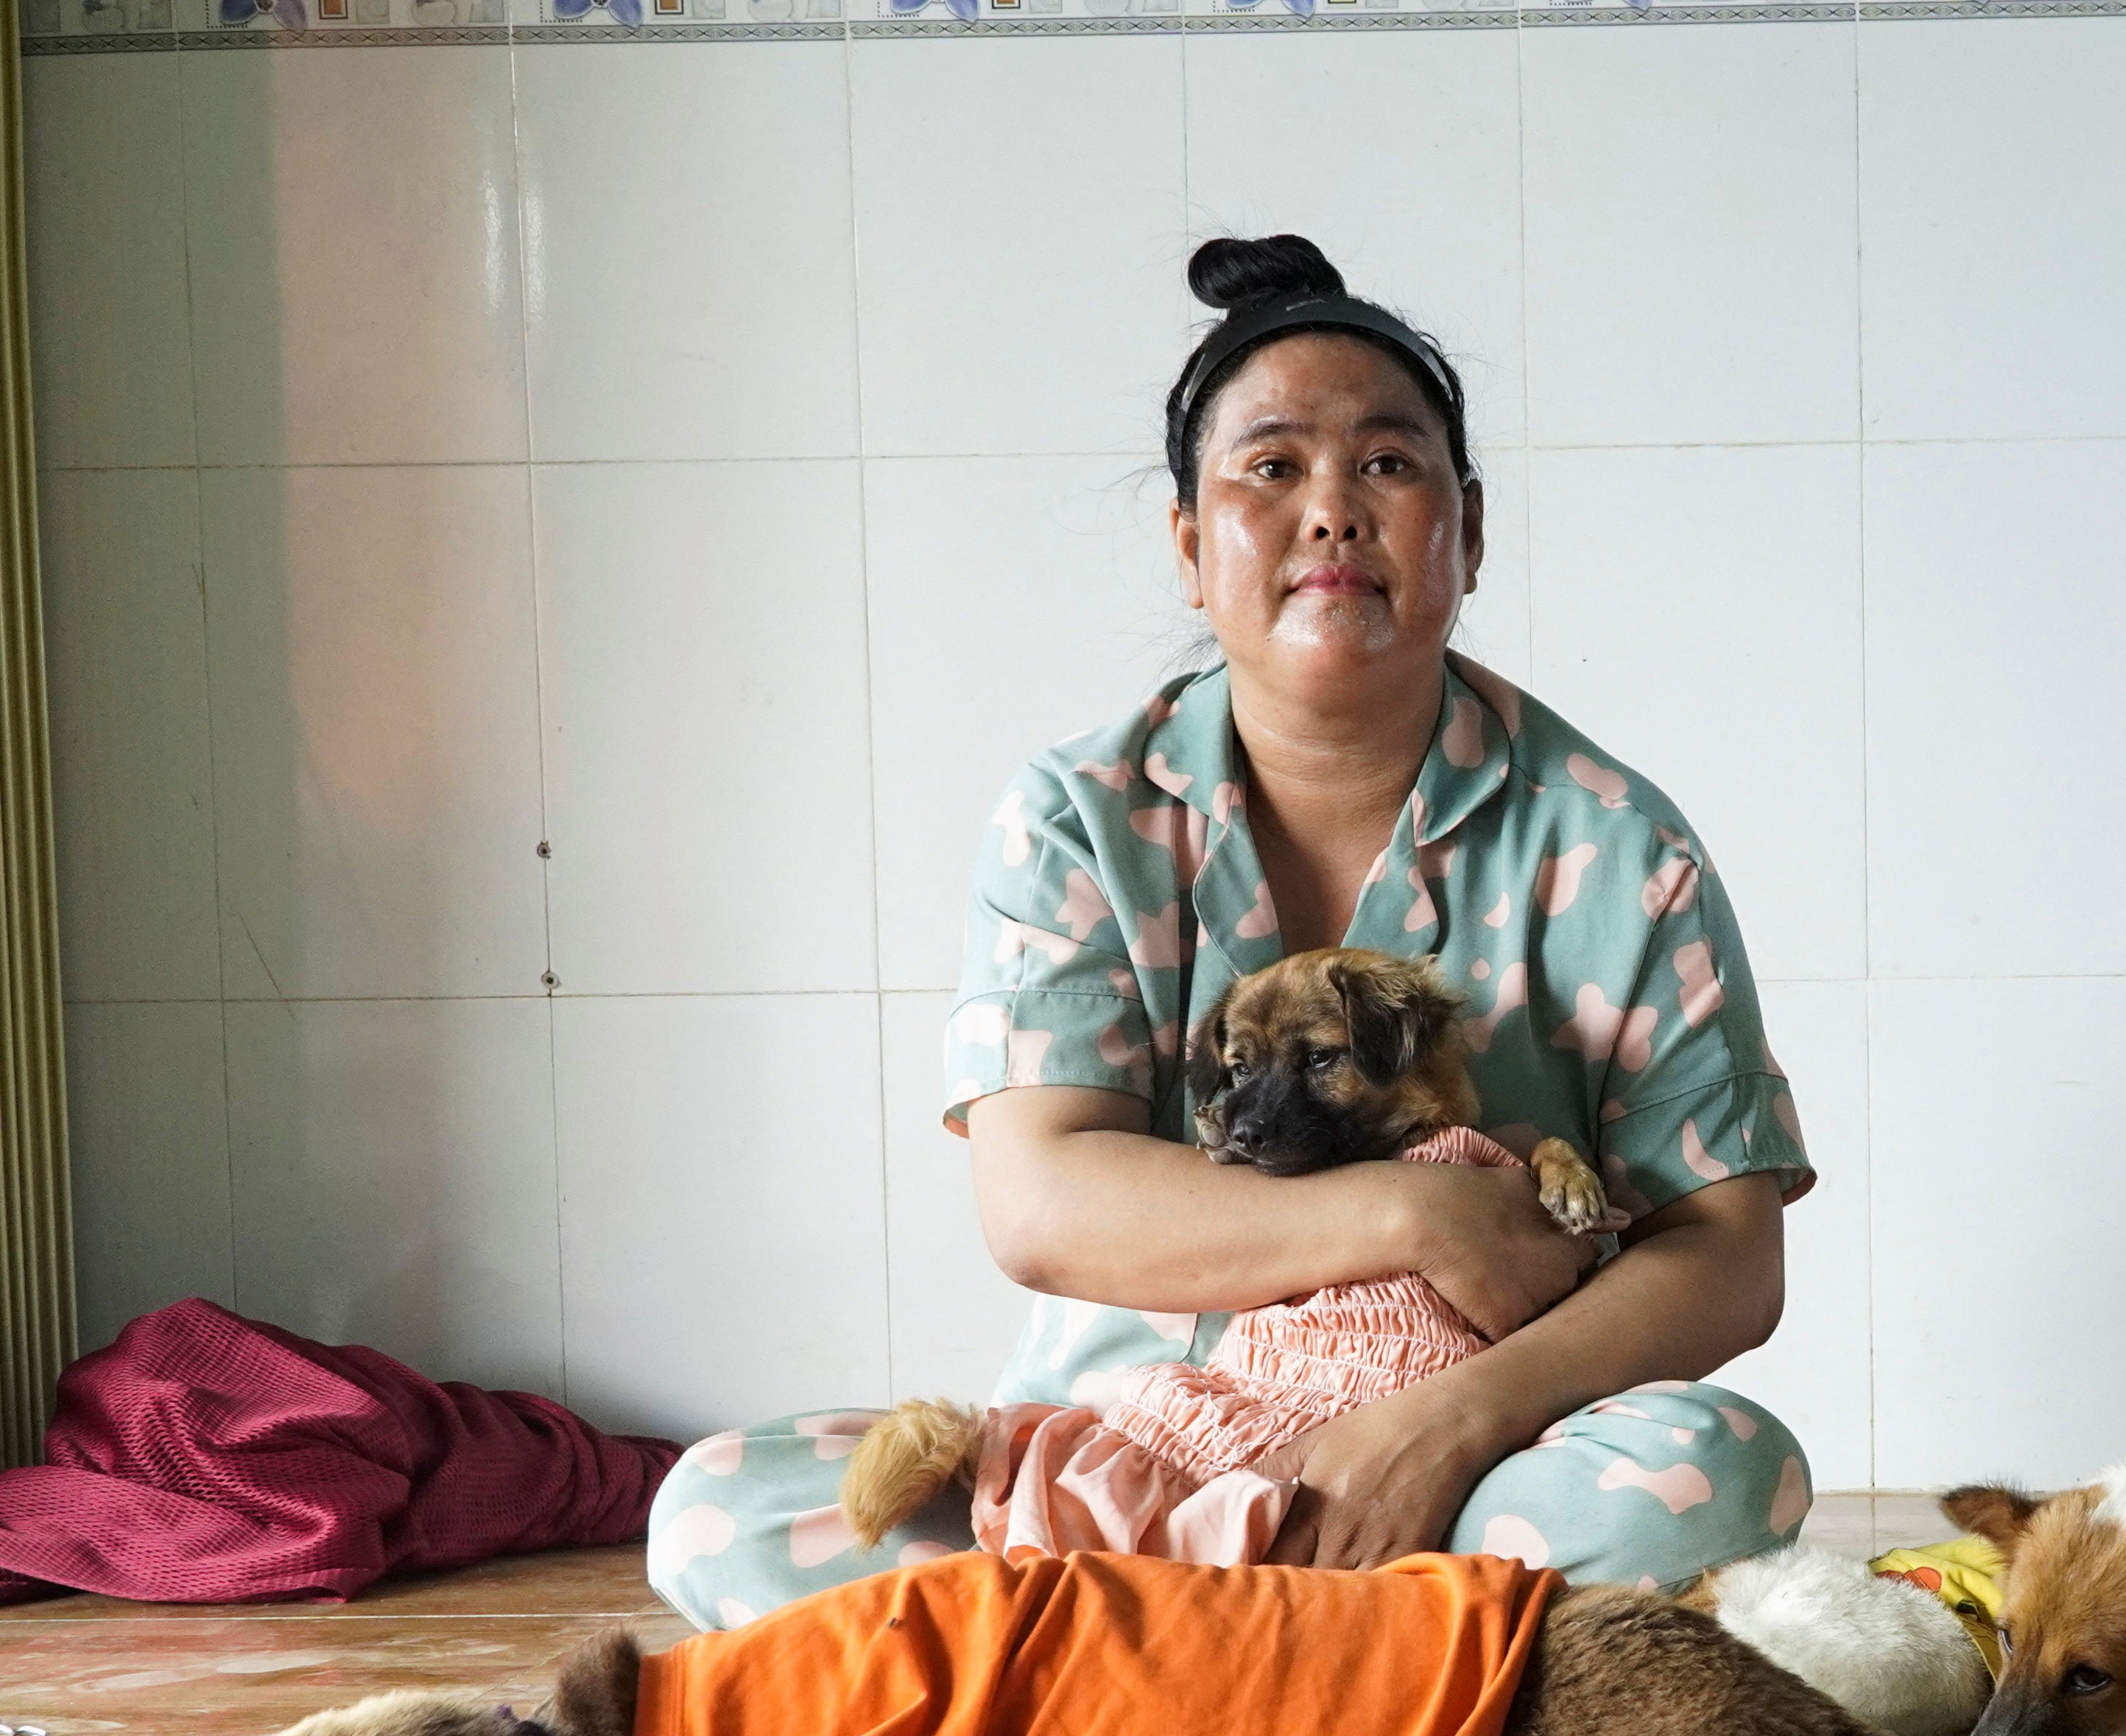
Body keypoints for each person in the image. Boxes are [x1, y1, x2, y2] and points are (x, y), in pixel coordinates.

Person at [652, 235, 1812, 1629]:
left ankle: (1133, 1662)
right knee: (721, 1505)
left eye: (1387, 465)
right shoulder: (1076, 816)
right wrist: (1412, 1210)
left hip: (1474, 1468)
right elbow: (1039, 1203)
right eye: (1271, 470)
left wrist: (1454, 1418)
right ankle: (1361, 1654)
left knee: (1724, 1471)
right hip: (1130, 1465)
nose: (1331, 512)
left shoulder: (1619, 843)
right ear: (1195, 549)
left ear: (1471, 533)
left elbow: (1729, 1254)